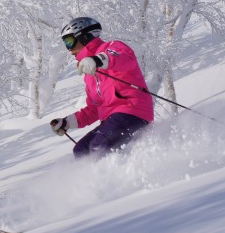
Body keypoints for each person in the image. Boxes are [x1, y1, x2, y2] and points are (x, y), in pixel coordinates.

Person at [50, 17, 153, 158]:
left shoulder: (113, 47)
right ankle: (92, 179)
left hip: (132, 112)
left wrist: (97, 60)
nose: (69, 49)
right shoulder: (89, 74)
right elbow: (94, 109)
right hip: (112, 120)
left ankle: (113, 177)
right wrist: (67, 122)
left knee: (98, 147)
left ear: (84, 37)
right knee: (81, 151)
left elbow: (121, 57)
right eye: (65, 43)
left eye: (70, 41)